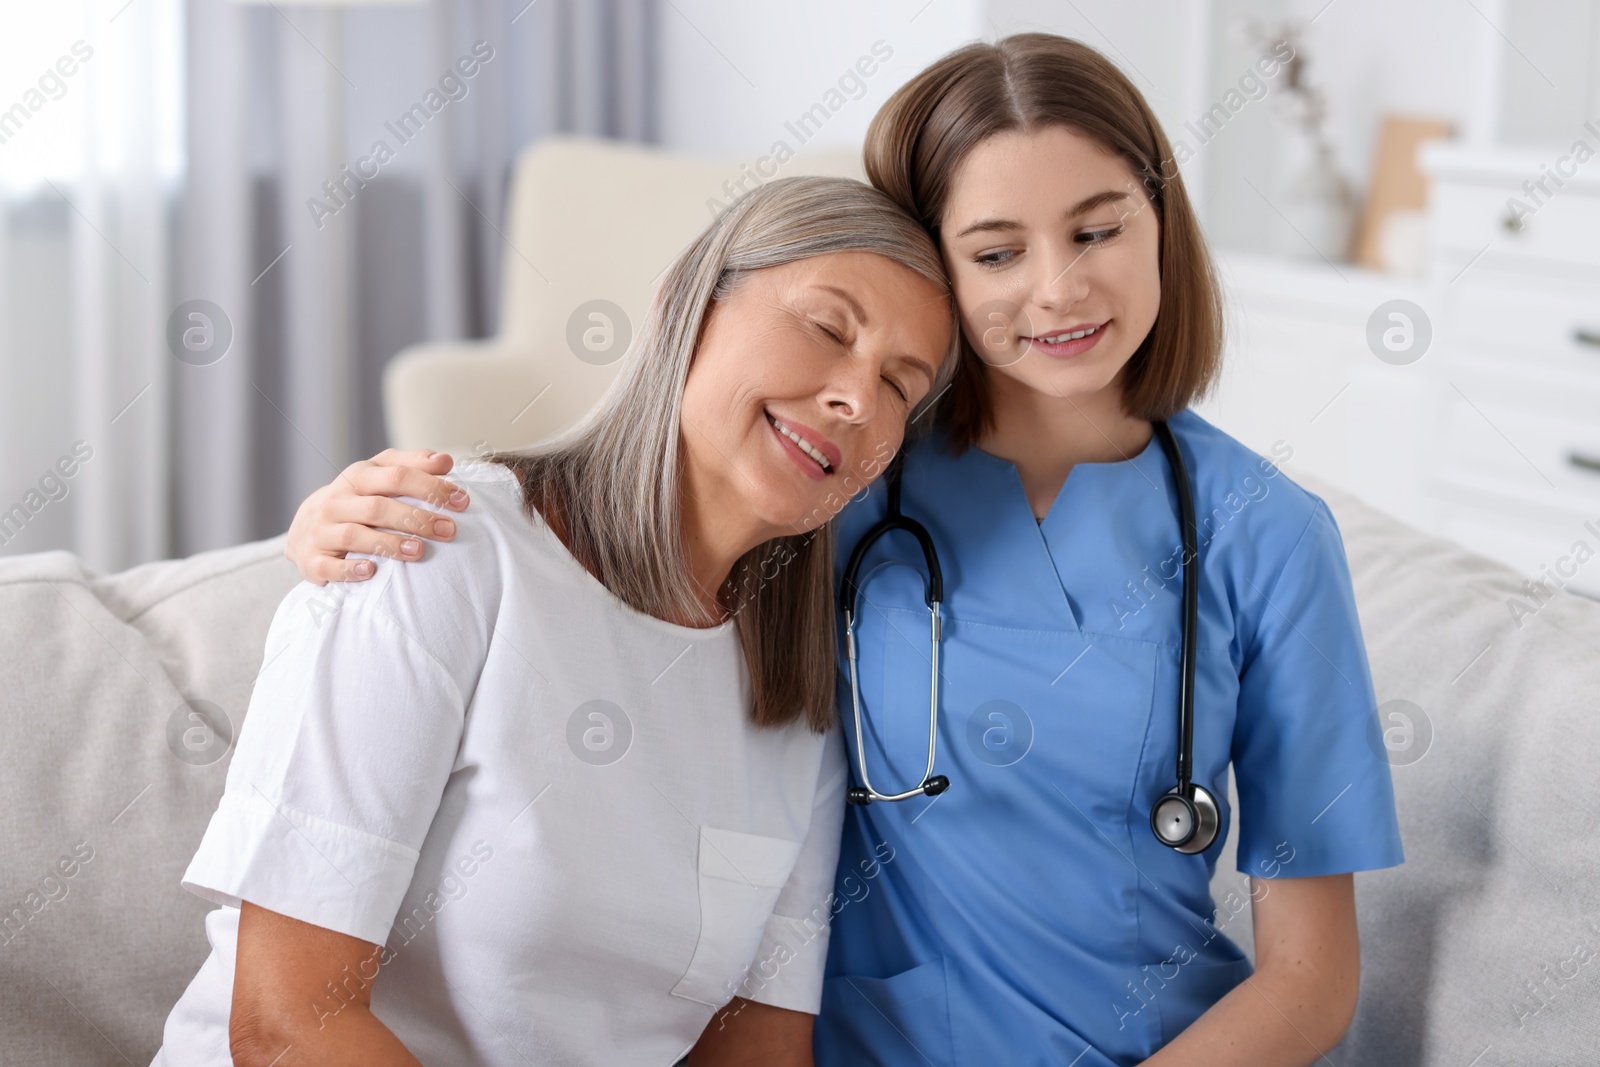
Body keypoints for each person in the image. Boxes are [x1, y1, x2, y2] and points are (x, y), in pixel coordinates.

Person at [283, 34, 1404, 1067]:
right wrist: (336, 519)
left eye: (1099, 229)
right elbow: (615, 532)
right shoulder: (841, 479)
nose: (1057, 287)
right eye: (996, 250)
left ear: (1165, 224)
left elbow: (1311, 976)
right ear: (935, 271)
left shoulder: (1267, 536)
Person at [153, 175, 956, 1067]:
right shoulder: (441, 550)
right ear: (684, 305)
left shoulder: (799, 702)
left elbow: (755, 1049)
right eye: (828, 327)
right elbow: (284, 1025)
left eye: (899, 384)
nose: (856, 397)